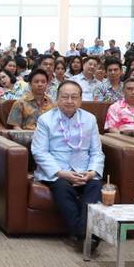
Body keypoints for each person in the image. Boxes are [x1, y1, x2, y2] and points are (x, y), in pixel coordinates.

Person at [32, 80, 104, 242]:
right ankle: (86, 234)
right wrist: (62, 173)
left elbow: (96, 152)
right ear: (57, 99)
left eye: (74, 97)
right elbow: (39, 152)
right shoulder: (45, 120)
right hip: (58, 172)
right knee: (63, 188)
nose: (70, 101)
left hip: (85, 171)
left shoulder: (90, 119)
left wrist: (92, 172)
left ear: (80, 100)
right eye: (65, 97)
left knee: (95, 187)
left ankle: (82, 233)